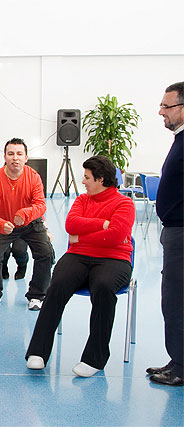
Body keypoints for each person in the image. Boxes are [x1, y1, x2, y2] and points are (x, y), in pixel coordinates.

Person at [25, 155, 135, 377]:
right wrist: (102, 224)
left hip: (114, 259)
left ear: (101, 179)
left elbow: (115, 237)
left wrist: (81, 237)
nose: (83, 181)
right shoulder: (82, 200)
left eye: (87, 177)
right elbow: (71, 224)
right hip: (78, 256)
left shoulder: (125, 204)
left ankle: (94, 359)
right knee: (57, 285)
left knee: (103, 287)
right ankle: (37, 352)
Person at [0, 138, 54, 311]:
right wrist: (1, 224)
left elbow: (40, 205)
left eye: (19, 154)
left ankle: (37, 295)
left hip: (30, 223)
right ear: (5, 157)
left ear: (26, 158)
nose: (15, 158)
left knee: (46, 253)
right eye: (11, 154)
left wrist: (24, 214)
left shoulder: (34, 177)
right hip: (4, 223)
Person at [146, 81, 184, 387]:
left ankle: (181, 367)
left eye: (167, 106)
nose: (161, 111)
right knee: (173, 300)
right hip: (174, 230)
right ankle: (177, 359)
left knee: (176, 301)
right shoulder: (179, 139)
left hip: (181, 234)